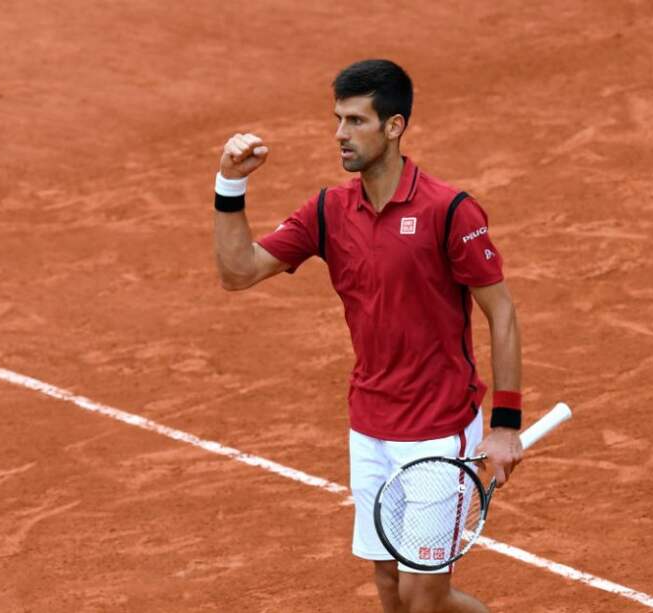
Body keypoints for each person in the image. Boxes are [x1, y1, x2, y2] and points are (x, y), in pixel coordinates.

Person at [211, 59, 524, 613]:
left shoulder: (449, 210)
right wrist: (230, 184)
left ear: (394, 126)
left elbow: (500, 311)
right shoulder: (329, 212)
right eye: (338, 119)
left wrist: (504, 426)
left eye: (356, 121)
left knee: (424, 598)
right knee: (388, 588)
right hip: (370, 427)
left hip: (438, 429)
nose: (340, 135)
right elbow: (237, 273)